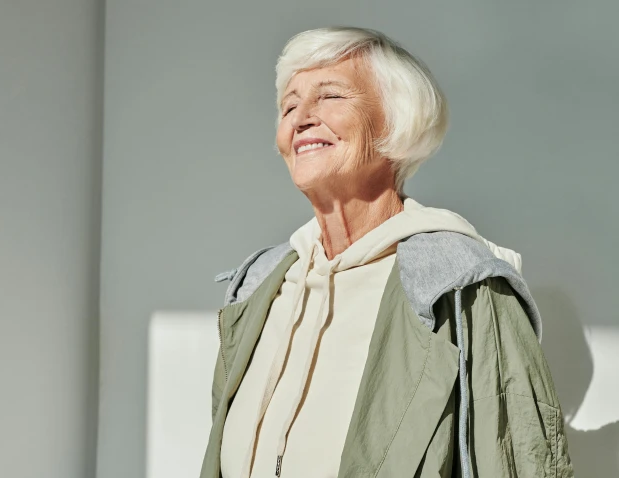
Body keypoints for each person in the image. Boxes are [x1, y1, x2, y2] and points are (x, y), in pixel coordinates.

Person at [200, 27, 573, 478]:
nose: (301, 118)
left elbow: (517, 462)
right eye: (290, 105)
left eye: (330, 96)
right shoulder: (259, 284)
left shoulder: (463, 286)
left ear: (397, 122)